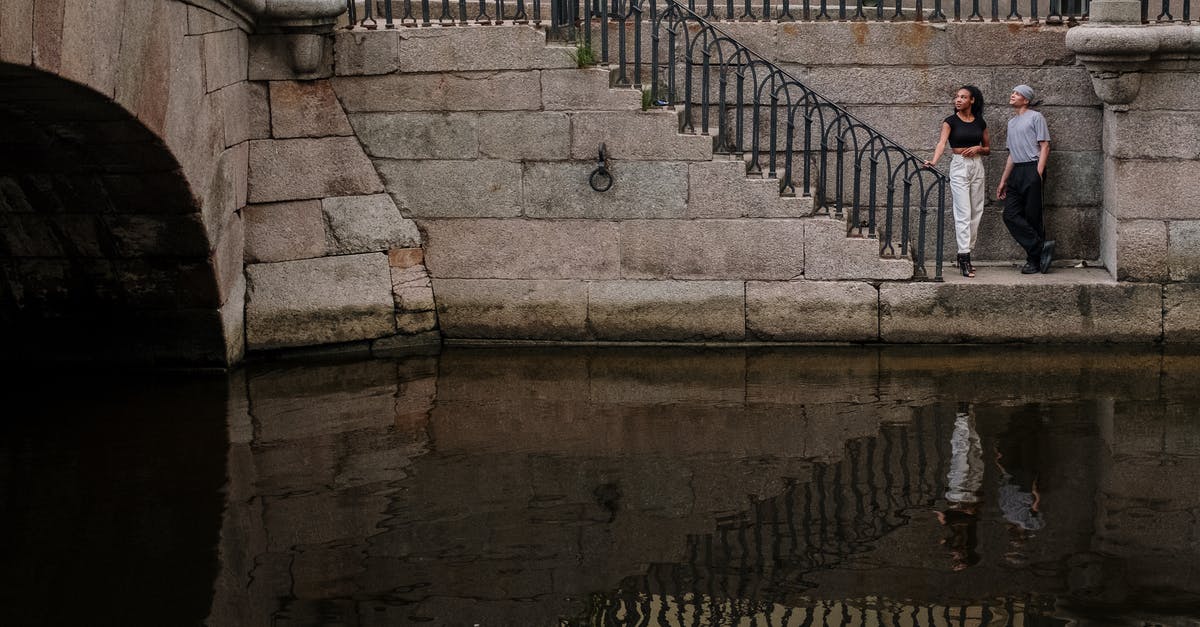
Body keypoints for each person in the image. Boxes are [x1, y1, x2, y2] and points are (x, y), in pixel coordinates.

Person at [924, 86, 990, 278]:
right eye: (957, 97)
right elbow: (941, 143)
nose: (958, 100)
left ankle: (966, 252)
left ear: (972, 101)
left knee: (977, 211)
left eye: (963, 97)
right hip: (959, 165)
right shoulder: (950, 121)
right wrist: (934, 161)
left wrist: (978, 148)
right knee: (963, 212)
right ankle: (964, 257)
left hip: (977, 165)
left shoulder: (980, 122)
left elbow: (988, 148)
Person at [996, 84, 1055, 275]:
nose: (1012, 95)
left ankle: (1033, 261)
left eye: (1017, 93)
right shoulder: (1011, 123)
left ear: (1026, 100)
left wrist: (1038, 172)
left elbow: (1044, 146)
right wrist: (1004, 180)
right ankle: (1041, 247)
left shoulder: (1036, 117)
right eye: (1012, 92)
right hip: (1017, 171)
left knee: (1033, 216)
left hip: (1032, 168)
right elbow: (1012, 154)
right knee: (1010, 215)